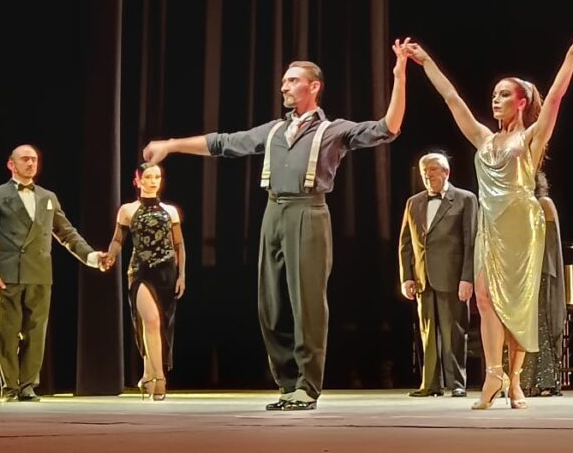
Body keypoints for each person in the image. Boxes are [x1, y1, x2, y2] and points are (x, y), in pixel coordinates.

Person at [140, 40, 408, 410]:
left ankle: (307, 386)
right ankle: (287, 383)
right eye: (283, 81)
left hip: (308, 212)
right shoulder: (274, 131)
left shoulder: (333, 130)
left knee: (307, 302)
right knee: (271, 304)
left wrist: (399, 76)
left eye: (292, 80)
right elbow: (225, 143)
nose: (284, 86)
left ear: (314, 86)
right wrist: (171, 145)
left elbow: (387, 128)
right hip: (273, 212)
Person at [404, 28, 573, 410]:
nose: (496, 99)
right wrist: (425, 61)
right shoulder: (484, 138)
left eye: (505, 94)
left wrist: (570, 59)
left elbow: (555, 98)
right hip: (489, 224)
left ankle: (514, 379)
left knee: (517, 302)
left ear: (522, 102)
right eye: (494, 94)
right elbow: (451, 98)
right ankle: (494, 373)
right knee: (484, 296)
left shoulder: (531, 138)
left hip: (521, 223)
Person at [0, 145, 108, 402]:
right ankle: (10, 387)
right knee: (7, 333)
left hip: (39, 273)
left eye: (34, 159)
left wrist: (91, 256)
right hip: (7, 274)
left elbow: (66, 232)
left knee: (36, 333)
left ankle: (27, 386)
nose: (30, 163)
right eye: (25, 159)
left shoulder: (48, 197)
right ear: (11, 164)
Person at [100, 163, 185, 401]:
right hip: (140, 271)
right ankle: (159, 378)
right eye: (148, 177)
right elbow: (118, 240)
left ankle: (147, 375)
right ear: (137, 181)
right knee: (150, 320)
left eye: (157, 176)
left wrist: (182, 275)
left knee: (159, 326)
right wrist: (110, 255)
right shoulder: (128, 210)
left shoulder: (170, 211)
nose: (153, 181)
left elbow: (179, 245)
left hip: (166, 273)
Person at [399, 152, 477, 398]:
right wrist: (406, 277)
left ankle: (457, 383)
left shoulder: (465, 199)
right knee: (427, 333)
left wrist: (467, 278)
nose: (427, 174)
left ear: (446, 172)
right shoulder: (414, 202)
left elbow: (470, 242)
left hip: (452, 278)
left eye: (432, 169)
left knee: (454, 332)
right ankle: (430, 384)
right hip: (423, 278)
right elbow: (406, 243)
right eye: (424, 170)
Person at [520, 172, 566, 397]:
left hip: (540, 272)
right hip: (521, 274)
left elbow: (549, 245)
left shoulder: (544, 203)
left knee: (540, 326)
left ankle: (544, 380)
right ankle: (523, 381)